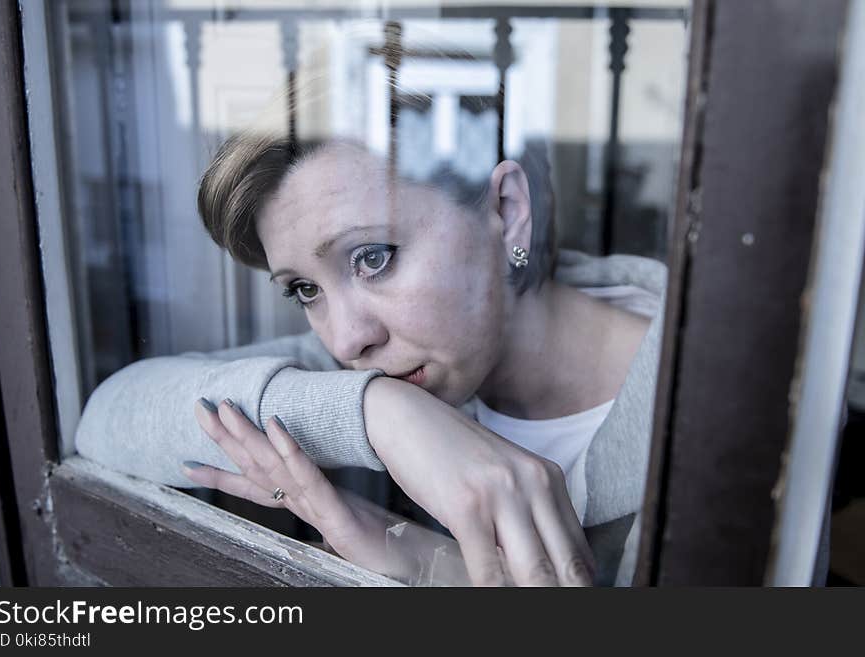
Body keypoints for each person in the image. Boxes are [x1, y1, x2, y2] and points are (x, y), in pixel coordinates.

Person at [75, 133, 665, 587]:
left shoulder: (714, 406)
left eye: (374, 258)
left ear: (507, 212)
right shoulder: (390, 371)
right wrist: (379, 417)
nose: (346, 341)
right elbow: (110, 416)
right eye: (305, 289)